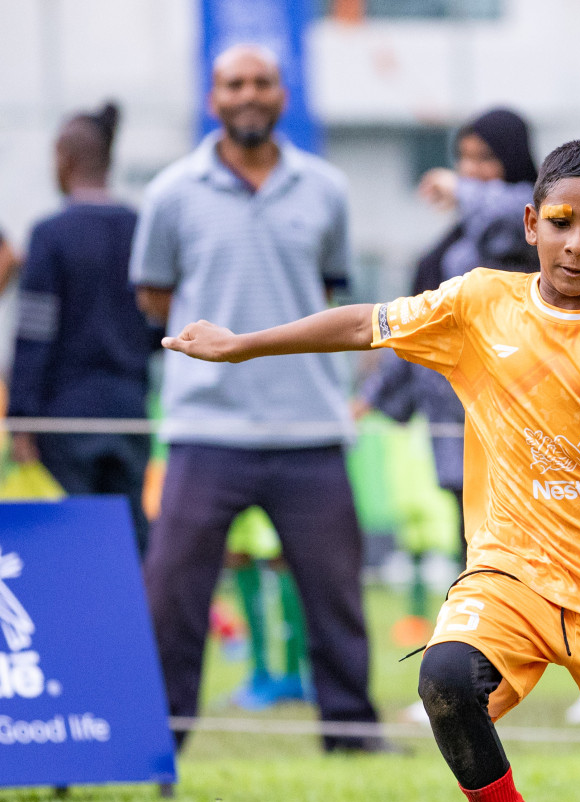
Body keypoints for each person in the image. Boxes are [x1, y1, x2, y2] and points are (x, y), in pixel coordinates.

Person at [164, 138, 580, 802]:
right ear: (531, 222)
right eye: (561, 222)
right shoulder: (477, 304)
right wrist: (245, 345)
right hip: (510, 573)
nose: (576, 243)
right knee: (447, 679)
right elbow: (365, 323)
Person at [130, 44, 382, 751]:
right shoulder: (171, 192)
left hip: (310, 426)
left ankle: (350, 732)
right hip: (204, 426)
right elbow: (154, 296)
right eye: (233, 83)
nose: (248, 94)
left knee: (334, 595)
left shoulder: (326, 188)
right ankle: (160, 735)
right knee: (173, 595)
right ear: (213, 98)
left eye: (262, 82)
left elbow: (328, 293)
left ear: (282, 95)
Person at [362, 107, 541, 645]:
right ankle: (479, 674)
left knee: (544, 552)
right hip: (457, 418)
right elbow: (423, 321)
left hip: (519, 417)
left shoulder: (538, 222)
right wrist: (372, 395)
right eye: (463, 159)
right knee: (481, 553)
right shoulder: (456, 238)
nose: (471, 170)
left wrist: (462, 190)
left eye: (484, 158)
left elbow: (518, 212)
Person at [8, 102, 160, 551]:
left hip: (65, 418)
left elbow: (34, 334)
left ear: (64, 158)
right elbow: (158, 324)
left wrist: (21, 421)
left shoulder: (50, 234)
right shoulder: (140, 228)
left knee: (77, 544)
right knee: (132, 539)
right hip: (130, 410)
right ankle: (136, 622)